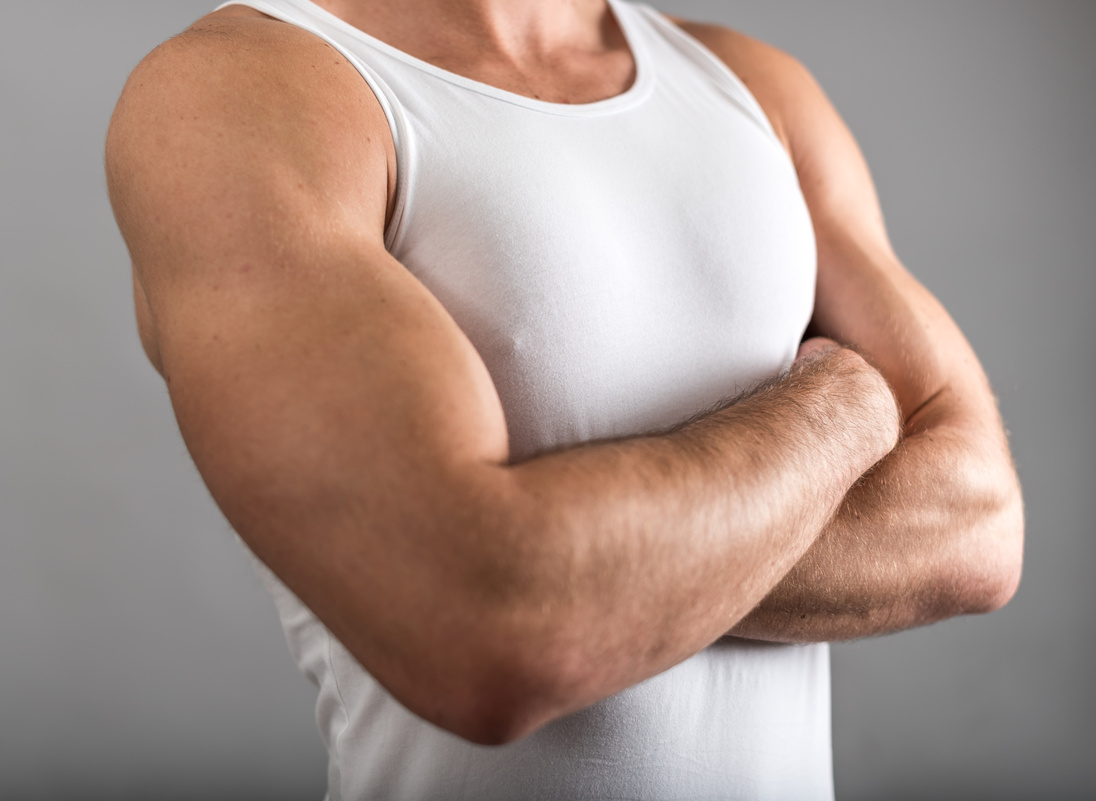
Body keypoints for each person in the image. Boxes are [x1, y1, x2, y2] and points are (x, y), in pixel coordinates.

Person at [105, 0, 1024, 797]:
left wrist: (589, 571)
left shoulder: (752, 86)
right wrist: (842, 409)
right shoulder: (241, 99)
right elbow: (482, 626)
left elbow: (977, 521)